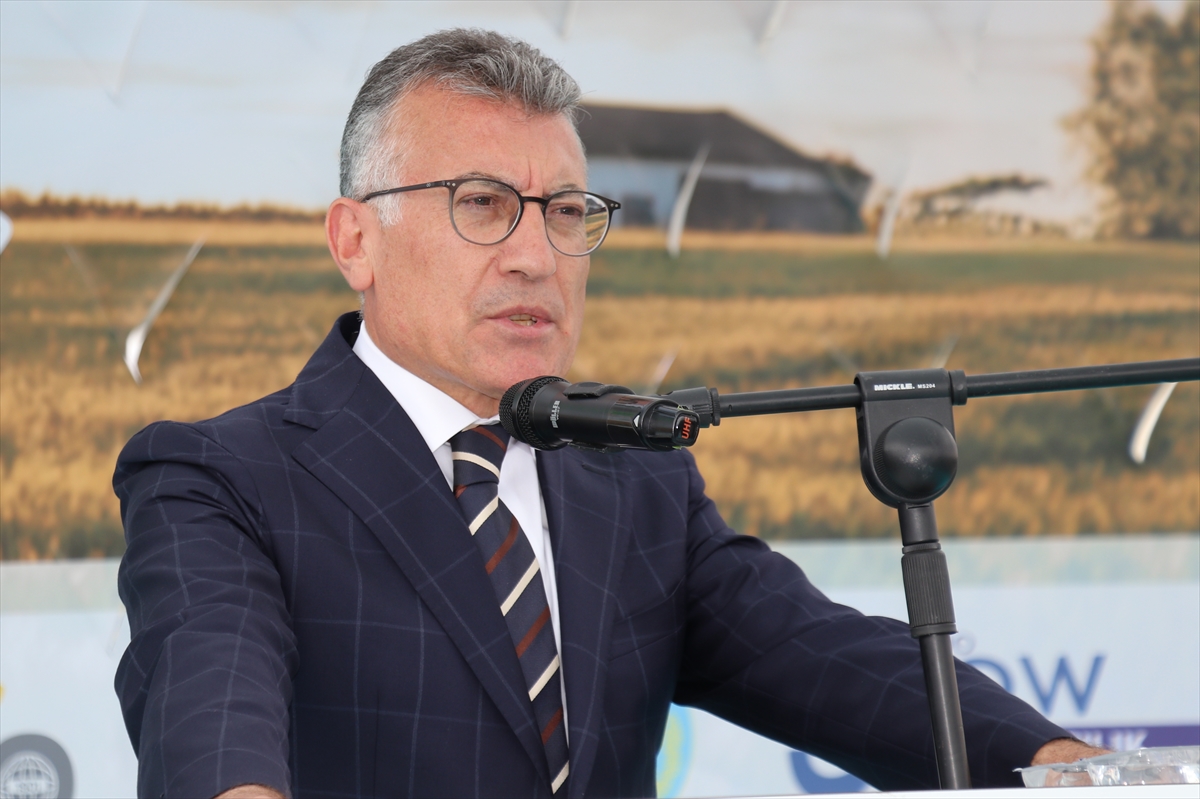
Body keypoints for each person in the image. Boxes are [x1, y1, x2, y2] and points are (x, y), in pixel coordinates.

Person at [113, 28, 1103, 799]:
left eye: (566, 212)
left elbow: (824, 658)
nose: (535, 255)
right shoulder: (220, 479)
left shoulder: (635, 477)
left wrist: (1073, 770)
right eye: (482, 204)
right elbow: (212, 714)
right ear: (355, 240)